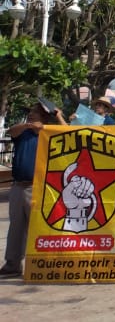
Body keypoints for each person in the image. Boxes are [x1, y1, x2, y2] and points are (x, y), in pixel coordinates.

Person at [1, 101, 67, 278]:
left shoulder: (49, 134)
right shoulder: (23, 133)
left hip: (39, 187)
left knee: (39, 227)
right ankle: (12, 264)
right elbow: (11, 131)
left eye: (35, 112)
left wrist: (58, 115)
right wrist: (29, 125)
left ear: (44, 117)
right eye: (30, 111)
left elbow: (69, 132)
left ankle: (41, 264)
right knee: (16, 227)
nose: (31, 115)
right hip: (18, 186)